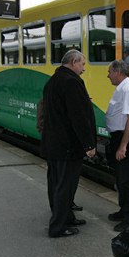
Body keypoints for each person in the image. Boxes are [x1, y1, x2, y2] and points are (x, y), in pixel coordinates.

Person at [40, 49, 96, 238]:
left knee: (56, 183)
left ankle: (66, 217)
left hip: (53, 144)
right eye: (82, 64)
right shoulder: (71, 82)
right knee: (65, 186)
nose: (84, 69)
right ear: (73, 62)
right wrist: (88, 144)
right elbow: (77, 117)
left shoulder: (52, 81)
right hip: (67, 146)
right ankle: (58, 227)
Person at [105, 59, 129, 231]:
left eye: (109, 72)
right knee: (121, 177)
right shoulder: (122, 88)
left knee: (127, 179)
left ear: (118, 72)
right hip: (119, 136)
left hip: (124, 137)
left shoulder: (127, 89)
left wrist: (123, 146)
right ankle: (124, 210)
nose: (108, 76)